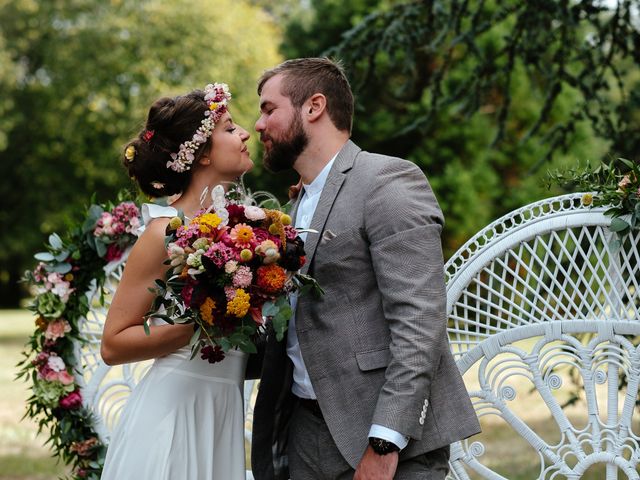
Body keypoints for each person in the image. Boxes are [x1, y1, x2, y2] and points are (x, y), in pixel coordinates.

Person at [250, 58, 481, 480]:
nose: (259, 125)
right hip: (304, 435)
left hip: (382, 442)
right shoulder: (292, 208)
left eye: (269, 109)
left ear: (313, 106)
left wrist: (385, 442)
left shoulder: (386, 180)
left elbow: (420, 321)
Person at [100, 83, 253, 480]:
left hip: (224, 411)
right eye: (230, 128)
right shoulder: (163, 233)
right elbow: (113, 344)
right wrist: (200, 326)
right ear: (202, 153)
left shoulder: (247, 232)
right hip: (174, 416)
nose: (245, 134)